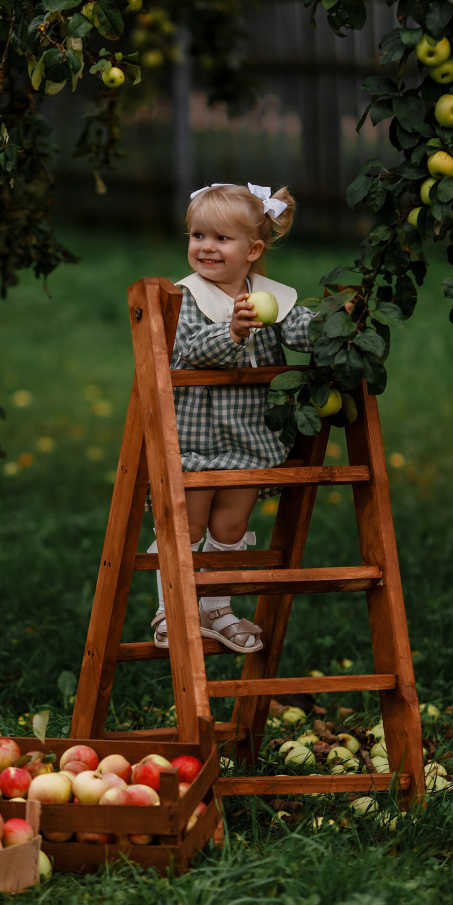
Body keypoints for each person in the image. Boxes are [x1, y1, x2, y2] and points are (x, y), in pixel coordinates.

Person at [148, 181, 314, 653]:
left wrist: (339, 323)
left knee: (230, 528)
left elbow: (302, 329)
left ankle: (216, 609)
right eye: (198, 235)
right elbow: (190, 350)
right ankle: (172, 606)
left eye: (221, 238)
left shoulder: (269, 297)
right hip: (194, 442)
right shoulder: (184, 297)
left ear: (253, 249)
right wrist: (234, 331)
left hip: (247, 443)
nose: (206, 247)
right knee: (189, 526)